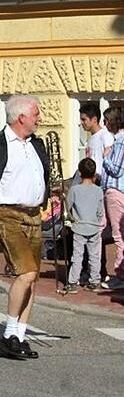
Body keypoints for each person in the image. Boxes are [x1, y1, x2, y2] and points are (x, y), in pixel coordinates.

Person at [0, 95, 49, 360]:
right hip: (8, 214)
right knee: (25, 273)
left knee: (32, 279)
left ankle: (19, 333)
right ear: (21, 117)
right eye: (36, 114)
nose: (39, 118)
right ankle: (9, 334)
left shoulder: (36, 144)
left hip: (34, 215)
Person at [65, 158, 105, 294]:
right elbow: (100, 210)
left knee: (77, 256)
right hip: (94, 226)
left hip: (79, 226)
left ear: (80, 173)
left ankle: (72, 282)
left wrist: (71, 219)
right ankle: (95, 280)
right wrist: (98, 221)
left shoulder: (75, 190)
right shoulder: (99, 190)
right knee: (94, 256)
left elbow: (68, 207)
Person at [101, 107, 124, 290]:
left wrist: (106, 157)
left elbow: (116, 168)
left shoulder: (120, 141)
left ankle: (120, 274)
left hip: (116, 191)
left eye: (107, 120)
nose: (104, 123)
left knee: (118, 235)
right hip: (114, 191)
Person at [80, 103, 113, 183]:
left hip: (101, 181)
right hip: (91, 182)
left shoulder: (105, 135)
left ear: (94, 119)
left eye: (84, 119)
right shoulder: (89, 140)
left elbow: (110, 160)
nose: (82, 123)